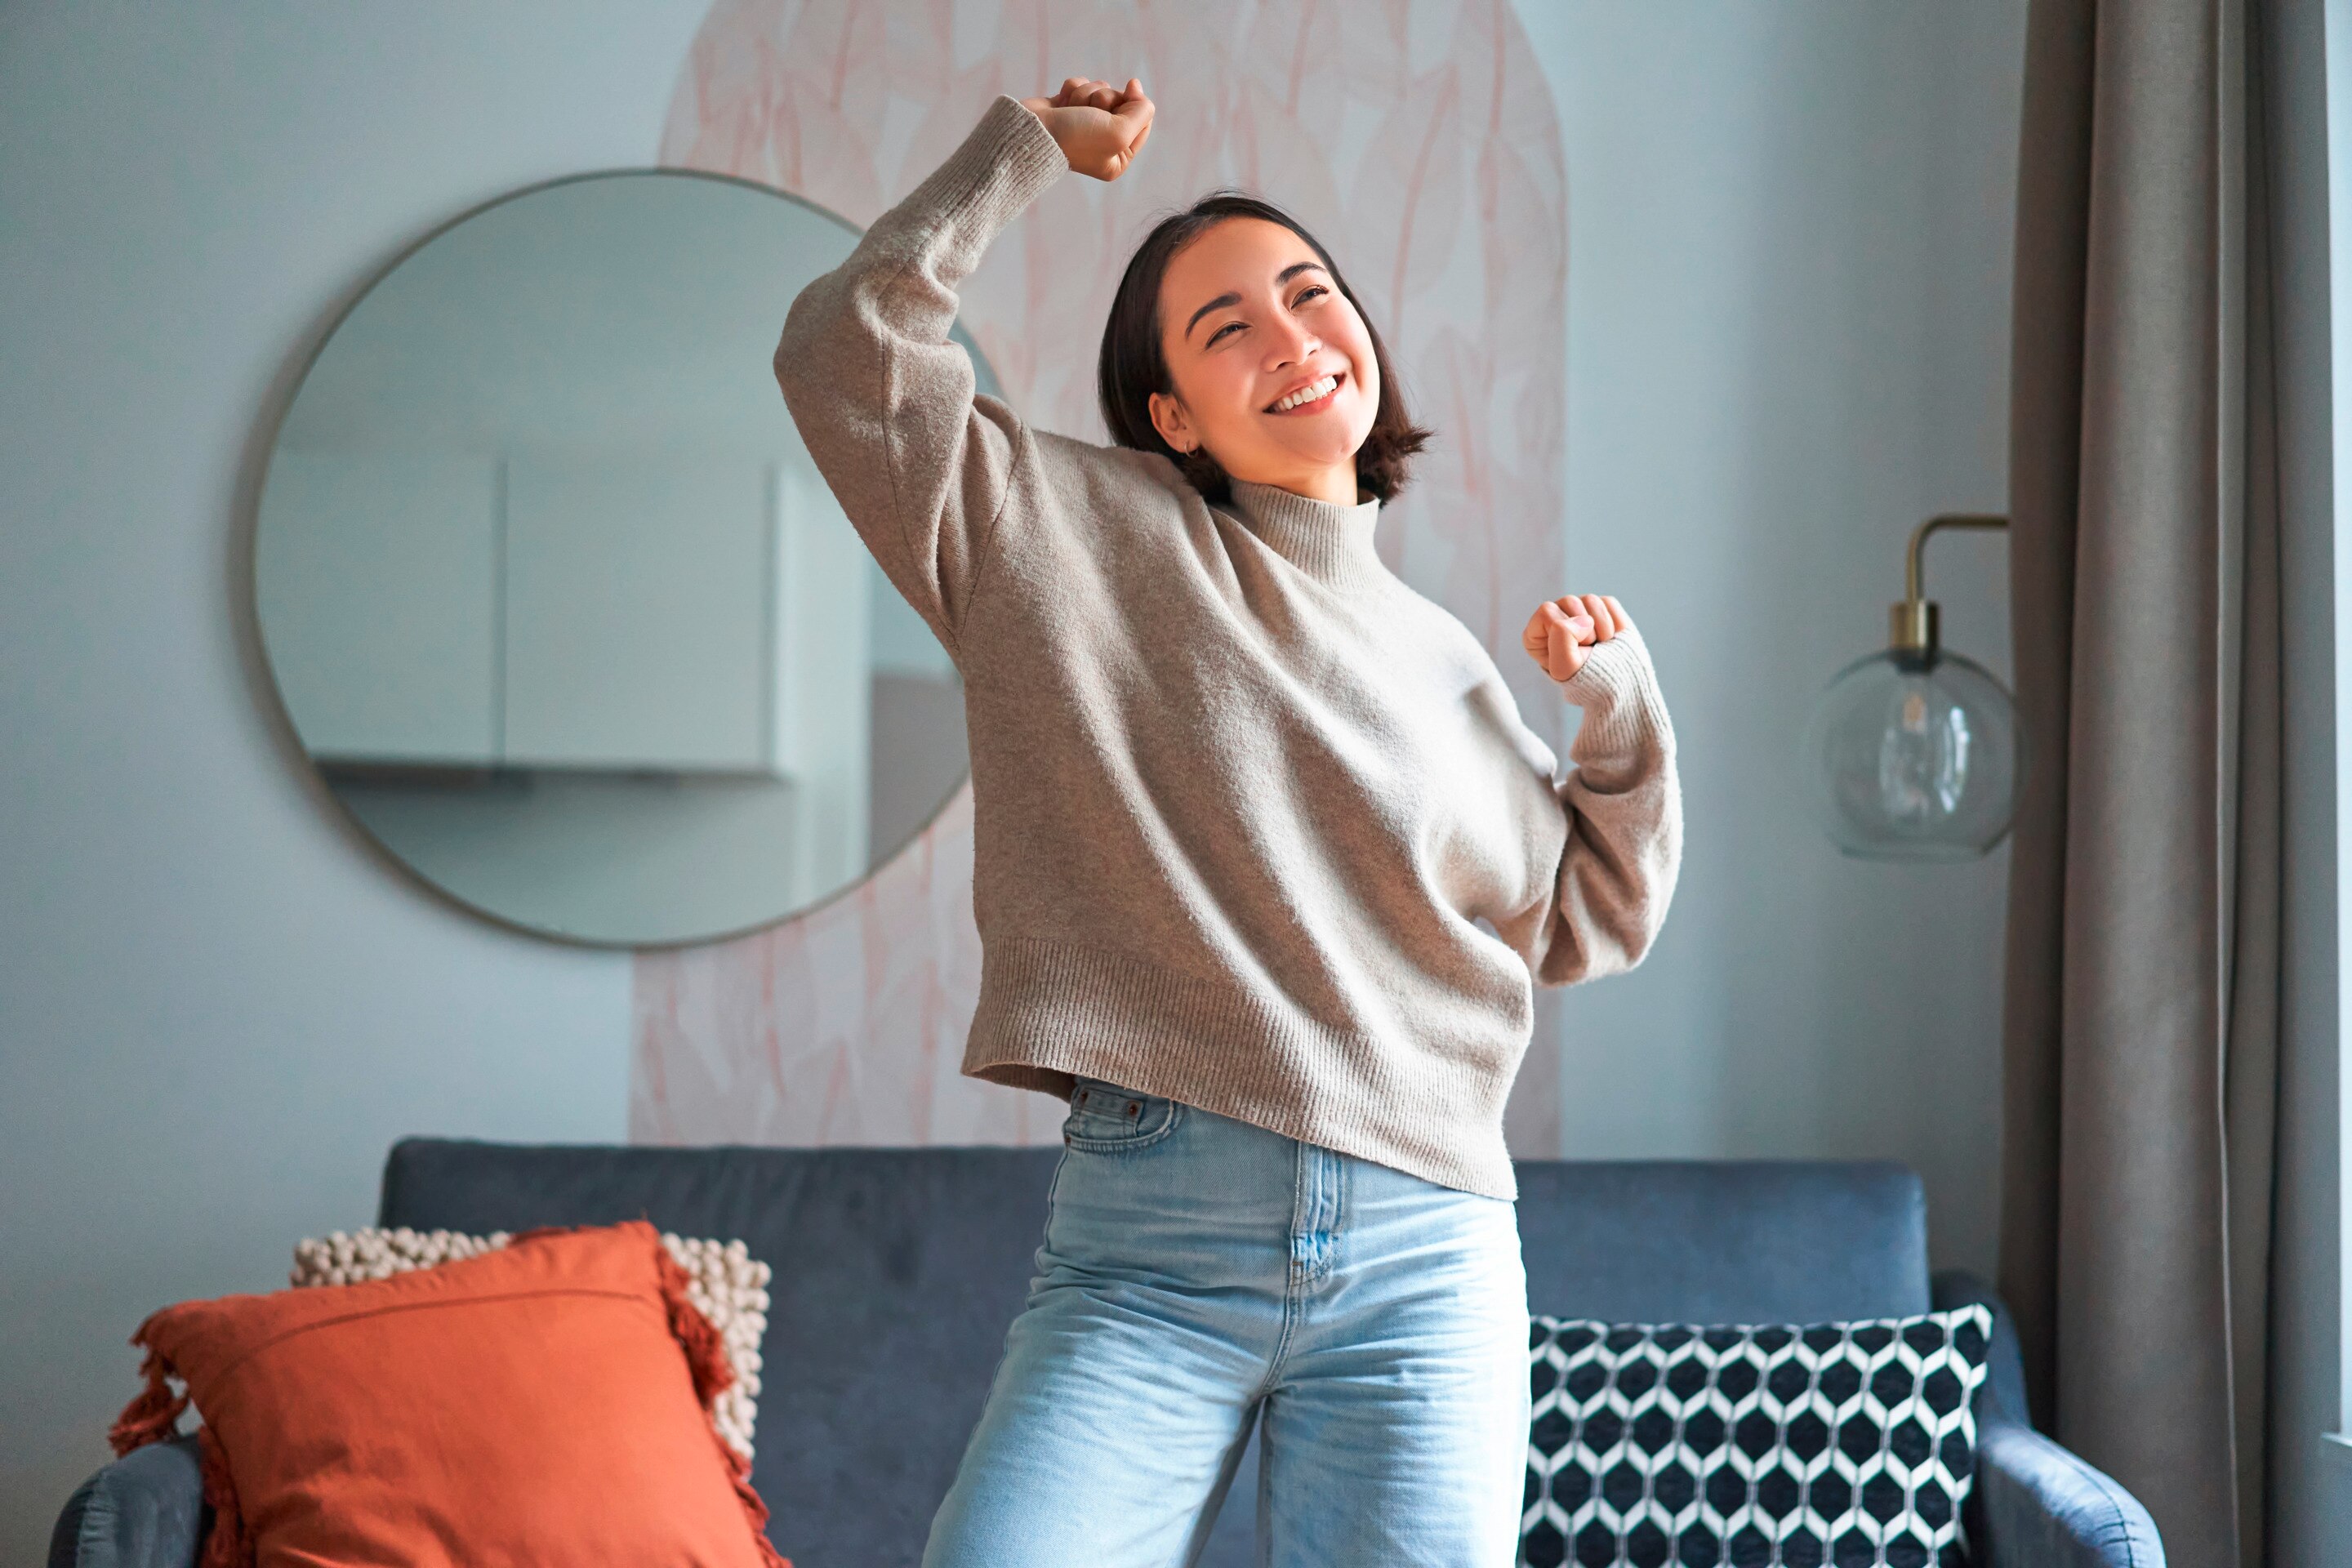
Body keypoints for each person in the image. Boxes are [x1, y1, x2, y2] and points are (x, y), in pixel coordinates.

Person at [775, 75, 1682, 1568]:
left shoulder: (1449, 660)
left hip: (1425, 1259)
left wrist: (1624, 711)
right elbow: (843, 354)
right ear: (1167, 414)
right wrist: (1024, 157)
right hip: (1149, 1256)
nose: (1290, 340)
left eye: (1308, 295)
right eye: (1226, 329)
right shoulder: (1063, 534)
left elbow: (1590, 917)